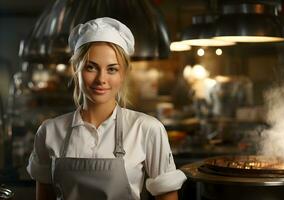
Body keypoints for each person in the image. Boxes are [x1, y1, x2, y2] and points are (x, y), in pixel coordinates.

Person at [26, 17, 187, 200]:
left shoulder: (147, 129)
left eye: (112, 69)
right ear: (75, 69)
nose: (101, 79)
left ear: (124, 73)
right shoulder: (49, 131)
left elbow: (167, 196)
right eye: (91, 67)